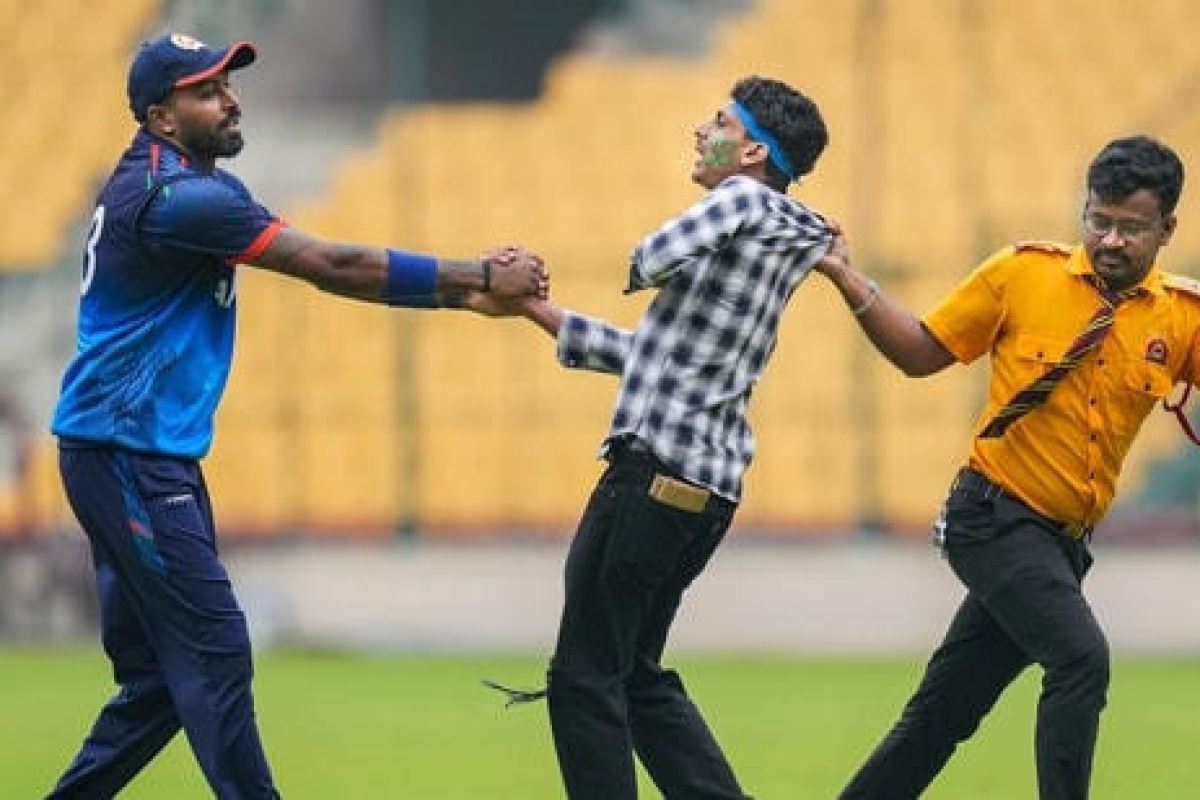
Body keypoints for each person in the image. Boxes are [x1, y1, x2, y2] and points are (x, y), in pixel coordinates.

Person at [47, 33, 545, 799]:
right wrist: (476, 273)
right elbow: (331, 264)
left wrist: (466, 299)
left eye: (228, 83)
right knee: (213, 651)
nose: (230, 98)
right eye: (207, 90)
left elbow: (334, 269)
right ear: (162, 116)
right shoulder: (178, 199)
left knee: (158, 682)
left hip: (134, 451)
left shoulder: (185, 186)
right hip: (126, 452)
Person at [482, 76, 834, 799]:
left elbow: (648, 259)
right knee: (634, 675)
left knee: (583, 674)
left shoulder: (738, 203)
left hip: (649, 478)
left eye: (719, 122)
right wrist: (537, 313)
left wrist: (544, 276)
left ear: (752, 153)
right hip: (703, 493)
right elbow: (653, 358)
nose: (700, 132)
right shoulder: (783, 235)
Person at [815, 135, 1195, 800]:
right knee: (1081, 660)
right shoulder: (1022, 275)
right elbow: (921, 354)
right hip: (990, 517)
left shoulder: (1182, 317)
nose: (1110, 239)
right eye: (1098, 220)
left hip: (1061, 546)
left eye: (1131, 228)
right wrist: (851, 280)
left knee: (944, 712)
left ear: (1167, 229)